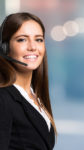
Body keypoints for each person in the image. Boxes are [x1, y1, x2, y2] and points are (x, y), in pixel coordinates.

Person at [0, 12, 57, 150]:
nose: (33, 47)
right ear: (5, 48)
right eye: (22, 39)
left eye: (38, 39)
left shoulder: (34, 97)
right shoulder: (3, 98)